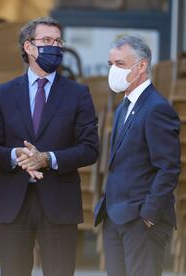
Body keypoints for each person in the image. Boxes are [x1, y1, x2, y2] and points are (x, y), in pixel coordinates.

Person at [0, 17, 99, 276]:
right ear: (28, 47)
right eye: (46, 41)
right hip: (13, 203)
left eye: (58, 41)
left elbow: (90, 148)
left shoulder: (78, 94)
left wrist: (48, 158)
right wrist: (17, 155)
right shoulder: (3, 93)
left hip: (59, 202)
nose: (54, 46)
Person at [94, 35, 181, 276]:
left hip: (141, 223)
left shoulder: (157, 108)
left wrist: (148, 216)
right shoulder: (124, 106)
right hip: (115, 219)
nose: (113, 70)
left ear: (141, 66)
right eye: (110, 64)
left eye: (120, 64)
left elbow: (168, 168)